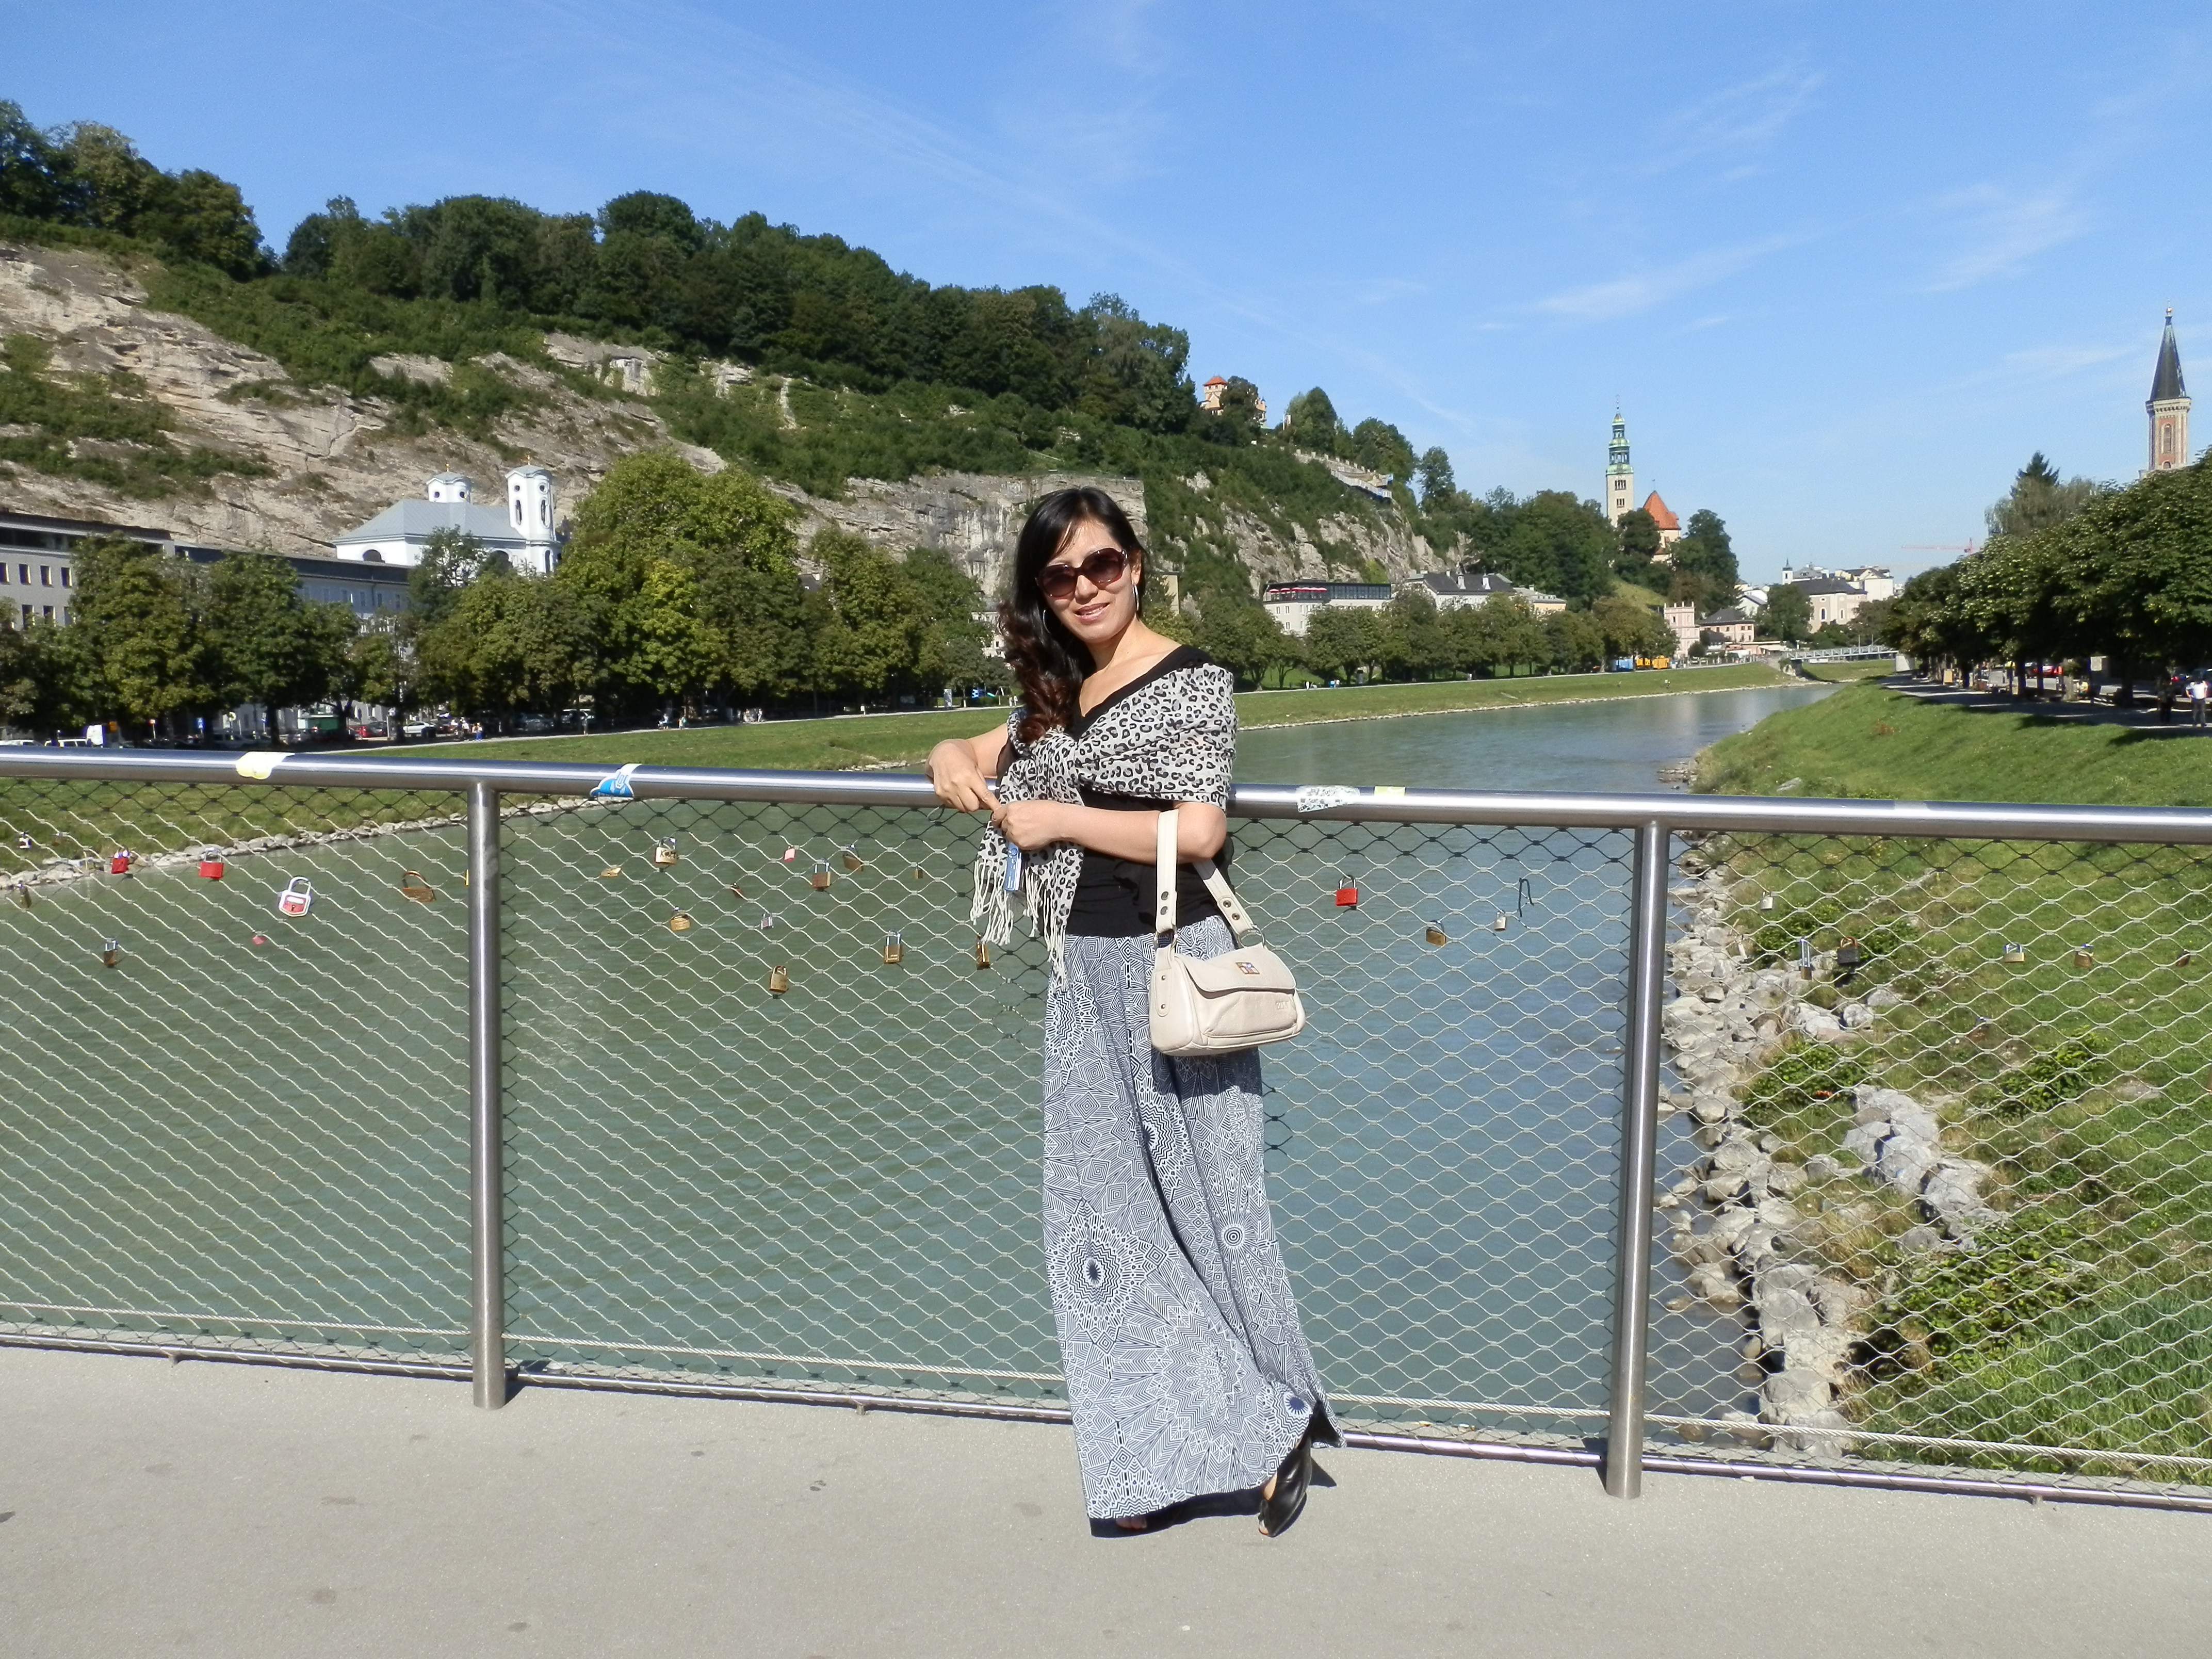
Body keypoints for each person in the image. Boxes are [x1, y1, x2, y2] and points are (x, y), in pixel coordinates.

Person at [926, 486, 1336, 1538]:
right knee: (1101, 1222)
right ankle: (1164, 1456)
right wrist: (949, 760)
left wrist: (1058, 820)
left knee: (1213, 1206)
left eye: (1100, 564)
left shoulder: (1193, 681)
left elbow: (1197, 833)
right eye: (1059, 575)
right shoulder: (1056, 688)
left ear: (1136, 564)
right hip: (1082, 971)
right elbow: (981, 748)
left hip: (1175, 962)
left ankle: (1275, 1418)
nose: (1084, 589)